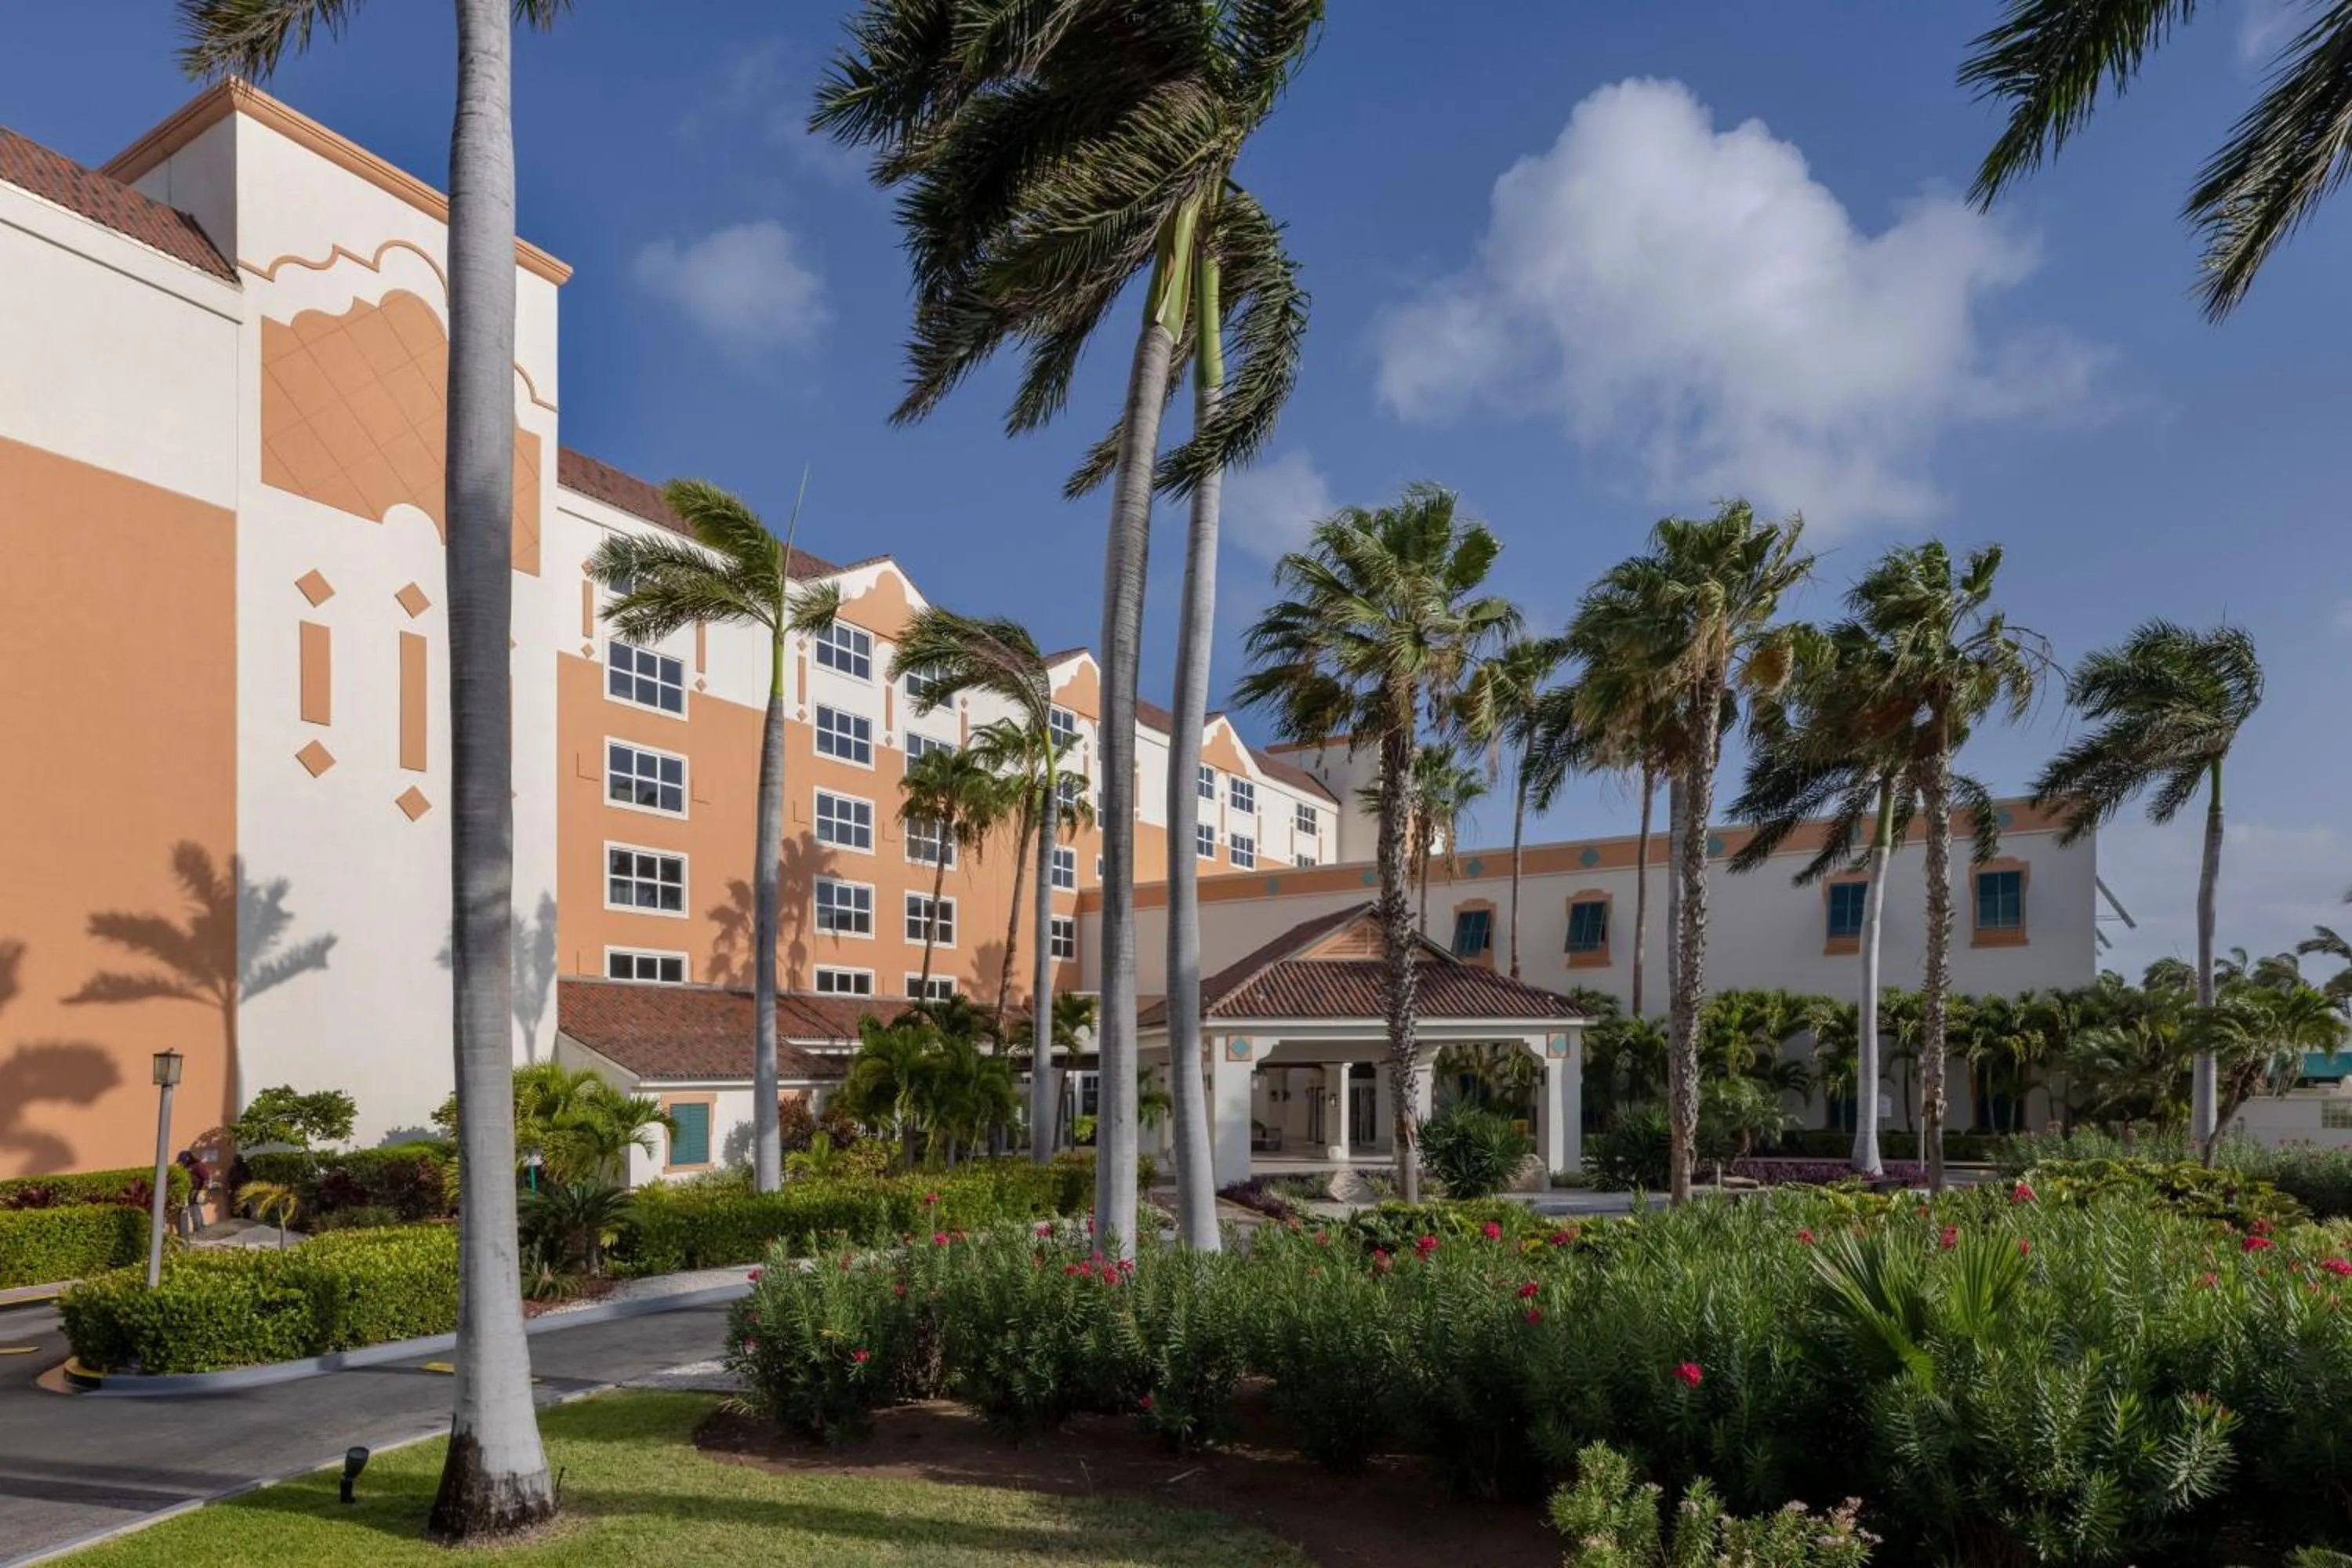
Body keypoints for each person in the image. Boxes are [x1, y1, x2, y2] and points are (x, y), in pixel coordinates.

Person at [174, 1149, 210, 1236]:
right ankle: (200, 1227)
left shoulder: (197, 1166)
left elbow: (206, 1178)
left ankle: (198, 1228)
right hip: (190, 1190)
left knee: (194, 1208)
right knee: (195, 1208)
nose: (182, 1163)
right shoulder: (186, 1167)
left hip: (197, 1190)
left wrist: (202, 1191)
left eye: (183, 1161)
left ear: (188, 1159)